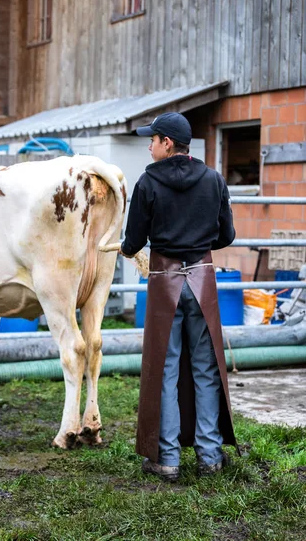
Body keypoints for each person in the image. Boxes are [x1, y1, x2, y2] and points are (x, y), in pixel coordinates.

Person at [120, 112, 239, 482]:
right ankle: (209, 457)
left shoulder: (147, 182)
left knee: (166, 370)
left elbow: (133, 242)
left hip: (164, 281)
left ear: (167, 143)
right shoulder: (214, 179)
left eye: (152, 140)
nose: (150, 145)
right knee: (206, 371)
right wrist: (198, 244)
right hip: (202, 281)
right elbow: (227, 236)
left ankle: (167, 459)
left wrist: (128, 247)